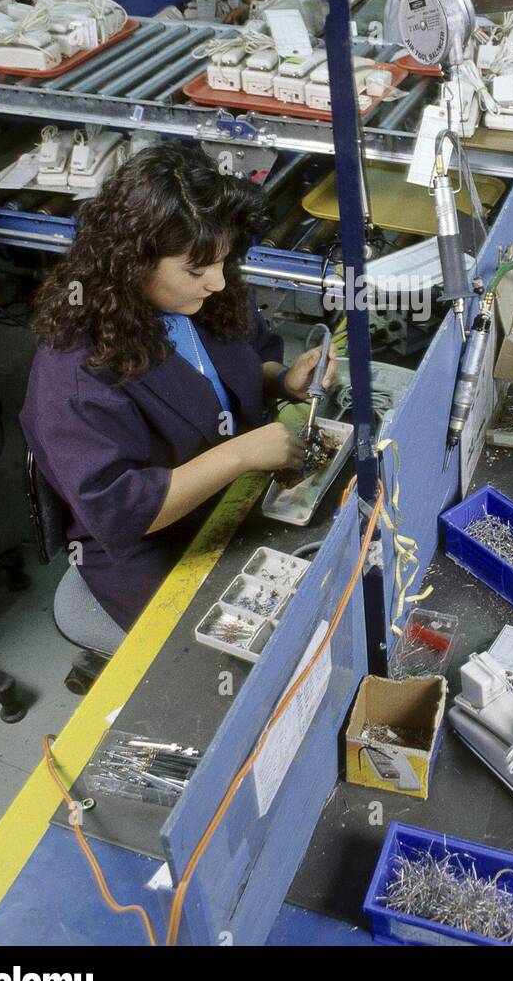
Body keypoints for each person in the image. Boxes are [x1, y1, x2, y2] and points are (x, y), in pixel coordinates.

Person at [20, 143, 337, 631]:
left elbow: (237, 367)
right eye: (196, 270)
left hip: (239, 494)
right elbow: (121, 511)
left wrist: (283, 380)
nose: (215, 282)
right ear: (132, 261)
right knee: (257, 641)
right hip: (155, 546)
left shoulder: (205, 290)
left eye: (223, 261)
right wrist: (240, 454)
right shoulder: (75, 369)